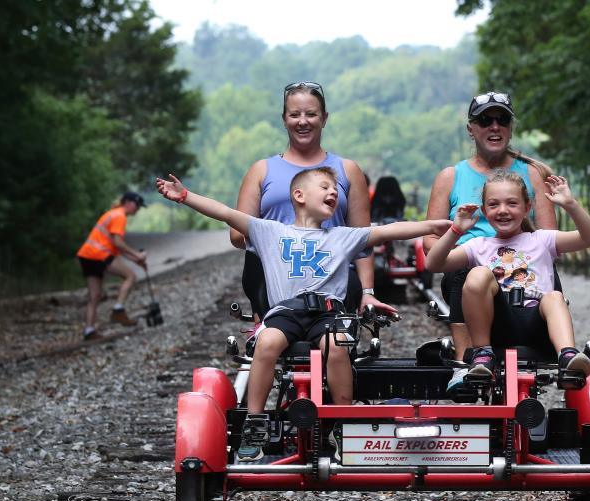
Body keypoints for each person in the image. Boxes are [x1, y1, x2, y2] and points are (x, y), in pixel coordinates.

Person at [156, 168, 450, 461]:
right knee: (267, 342)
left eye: (336, 190)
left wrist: (433, 226)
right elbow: (225, 213)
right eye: (325, 187)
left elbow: (388, 230)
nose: (334, 192)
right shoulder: (268, 231)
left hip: (329, 313)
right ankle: (256, 421)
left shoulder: (342, 236)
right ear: (299, 195)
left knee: (337, 347)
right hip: (286, 311)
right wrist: (185, 196)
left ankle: (343, 422)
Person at [422, 91, 558, 392]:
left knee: (543, 268)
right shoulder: (450, 176)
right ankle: (463, 360)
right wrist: (474, 249)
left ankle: (560, 347)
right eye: (485, 120)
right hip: (468, 266)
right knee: (468, 270)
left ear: (511, 127)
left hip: (522, 264)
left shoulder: (532, 174)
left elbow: (550, 239)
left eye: (502, 120)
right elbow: (429, 244)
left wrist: (507, 253)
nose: (494, 127)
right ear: (471, 128)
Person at [229, 81, 392, 322]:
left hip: (334, 276)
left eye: (311, 114)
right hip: (274, 277)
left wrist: (368, 293)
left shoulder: (348, 170)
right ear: (284, 119)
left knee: (336, 344)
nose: (302, 121)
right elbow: (236, 235)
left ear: (324, 118)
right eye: (294, 114)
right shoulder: (261, 170)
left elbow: (363, 239)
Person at [425, 169, 590, 382]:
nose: (503, 210)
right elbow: (433, 264)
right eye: (493, 204)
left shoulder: (542, 240)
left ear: (527, 208)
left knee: (554, 297)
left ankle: (568, 354)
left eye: (512, 203)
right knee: (478, 274)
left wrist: (570, 204)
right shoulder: (477, 246)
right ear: (483, 211)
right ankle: (482, 353)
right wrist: (456, 230)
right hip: (496, 326)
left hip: (539, 326)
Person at [76, 191, 148, 340]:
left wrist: (136, 259)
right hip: (99, 254)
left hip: (86, 255)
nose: (138, 209)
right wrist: (137, 255)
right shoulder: (120, 216)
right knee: (130, 276)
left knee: (94, 296)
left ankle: (89, 330)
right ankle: (118, 310)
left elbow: (117, 247)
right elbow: (118, 243)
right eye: (137, 205)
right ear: (127, 202)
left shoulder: (113, 213)